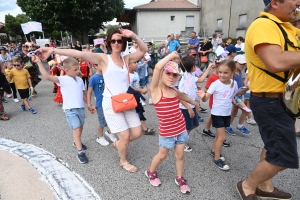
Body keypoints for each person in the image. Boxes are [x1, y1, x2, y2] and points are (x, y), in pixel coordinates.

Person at [38, 28, 147, 172]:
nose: (116, 43)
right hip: (111, 102)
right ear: (108, 43)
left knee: (137, 133)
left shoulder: (127, 59)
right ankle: (123, 160)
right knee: (126, 136)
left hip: (126, 101)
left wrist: (133, 35)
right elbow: (79, 53)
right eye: (113, 40)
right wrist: (52, 50)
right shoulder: (103, 58)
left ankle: (120, 143)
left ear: (123, 42)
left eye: (119, 40)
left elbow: (143, 49)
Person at [236, 0, 299, 199]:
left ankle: (266, 186)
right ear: (274, 3)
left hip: (283, 101)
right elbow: (276, 61)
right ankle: (247, 185)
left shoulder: (287, 27)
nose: (298, 2)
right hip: (270, 102)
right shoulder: (264, 25)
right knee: (283, 156)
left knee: (271, 146)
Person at [145, 52, 199, 194]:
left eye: (174, 75)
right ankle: (150, 170)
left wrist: (196, 102)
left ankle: (180, 177)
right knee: (162, 155)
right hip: (167, 132)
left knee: (180, 155)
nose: (171, 77)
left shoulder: (174, 91)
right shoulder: (156, 91)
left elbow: (184, 97)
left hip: (180, 128)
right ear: (162, 74)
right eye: (168, 73)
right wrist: (171, 56)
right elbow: (157, 67)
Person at [34, 56, 88, 163]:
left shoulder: (80, 80)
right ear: (66, 70)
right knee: (76, 129)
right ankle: (80, 152)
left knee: (80, 127)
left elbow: (83, 94)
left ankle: (75, 142)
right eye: (75, 70)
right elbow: (47, 77)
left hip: (80, 108)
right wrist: (39, 63)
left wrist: (89, 105)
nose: (78, 71)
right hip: (70, 109)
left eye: (78, 69)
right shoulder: (62, 80)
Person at [197, 59, 247, 171]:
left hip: (226, 113)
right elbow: (206, 97)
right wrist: (202, 95)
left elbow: (234, 94)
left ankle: (214, 150)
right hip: (217, 113)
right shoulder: (215, 84)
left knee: (219, 136)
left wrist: (246, 89)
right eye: (220, 72)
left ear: (232, 72)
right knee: (223, 137)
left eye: (225, 73)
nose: (222, 75)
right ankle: (217, 158)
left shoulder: (233, 83)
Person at [178, 56, 214, 152]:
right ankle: (182, 142)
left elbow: (200, 80)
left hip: (191, 106)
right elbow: (180, 97)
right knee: (189, 126)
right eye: (195, 65)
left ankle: (181, 137)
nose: (196, 66)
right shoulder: (185, 81)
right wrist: (189, 108)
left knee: (195, 125)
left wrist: (209, 68)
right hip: (186, 108)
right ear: (193, 67)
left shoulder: (190, 75)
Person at [87, 64, 117, 146]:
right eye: (102, 64)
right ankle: (99, 137)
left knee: (112, 119)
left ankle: (109, 132)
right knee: (102, 122)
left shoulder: (107, 76)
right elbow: (89, 92)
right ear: (96, 66)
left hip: (110, 102)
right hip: (100, 104)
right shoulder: (93, 78)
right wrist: (89, 104)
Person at [226, 54, 251, 136]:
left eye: (244, 64)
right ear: (235, 63)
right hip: (235, 95)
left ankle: (228, 125)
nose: (243, 66)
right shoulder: (232, 73)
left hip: (240, 93)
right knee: (246, 110)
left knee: (234, 111)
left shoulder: (240, 72)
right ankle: (240, 126)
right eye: (241, 64)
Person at [128, 61, 155, 135]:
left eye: (137, 62)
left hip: (137, 96)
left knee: (139, 112)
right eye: (134, 63)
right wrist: (140, 90)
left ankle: (144, 129)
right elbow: (128, 87)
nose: (137, 64)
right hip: (130, 98)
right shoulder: (126, 75)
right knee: (130, 113)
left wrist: (139, 90)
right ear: (128, 65)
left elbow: (137, 85)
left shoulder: (136, 73)